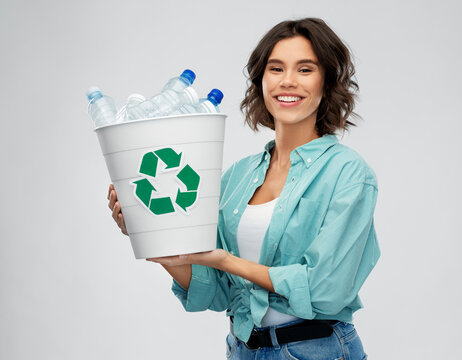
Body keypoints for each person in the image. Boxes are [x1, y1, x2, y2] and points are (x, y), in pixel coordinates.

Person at [108, 17, 379, 360]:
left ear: (327, 81)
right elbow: (217, 292)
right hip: (244, 350)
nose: (288, 81)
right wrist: (155, 242)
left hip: (316, 351)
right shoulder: (238, 177)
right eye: (276, 68)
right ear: (261, 80)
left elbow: (326, 289)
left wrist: (227, 261)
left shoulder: (348, 174)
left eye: (305, 69)